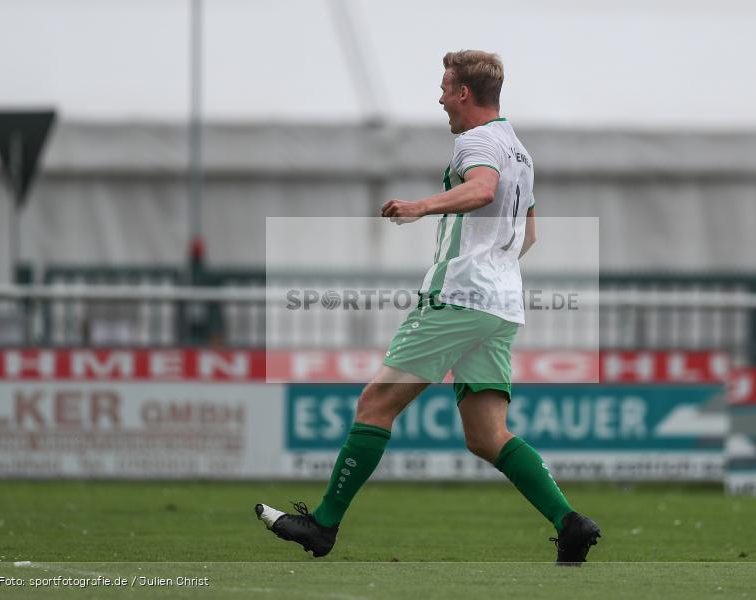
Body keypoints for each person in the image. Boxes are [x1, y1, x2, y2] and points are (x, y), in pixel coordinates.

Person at [256, 49, 600, 566]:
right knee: (487, 436)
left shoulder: (476, 141)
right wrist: (493, 266)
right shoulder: (519, 150)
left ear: (463, 93)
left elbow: (481, 189)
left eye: (444, 88)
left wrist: (420, 207)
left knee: (375, 405)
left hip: (459, 298)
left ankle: (323, 523)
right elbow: (528, 233)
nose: (440, 98)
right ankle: (570, 523)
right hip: (502, 304)